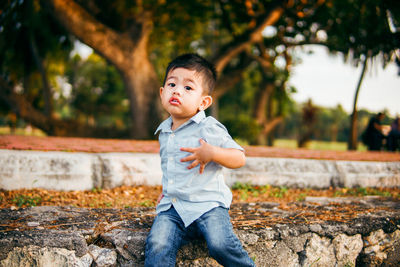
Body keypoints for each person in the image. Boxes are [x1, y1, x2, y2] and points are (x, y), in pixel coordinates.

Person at [145, 54, 255, 267]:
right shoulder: (165, 131)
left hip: (208, 205)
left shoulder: (208, 128)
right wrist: (168, 189)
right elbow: (173, 168)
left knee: (220, 243)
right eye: (172, 84)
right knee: (158, 244)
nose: (177, 90)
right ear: (162, 92)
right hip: (174, 207)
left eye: (188, 88)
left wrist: (212, 153)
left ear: (203, 102)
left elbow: (239, 158)